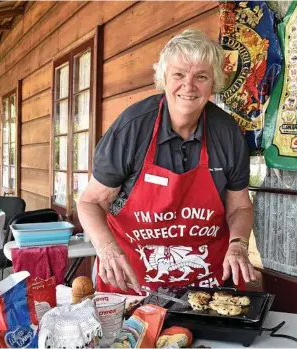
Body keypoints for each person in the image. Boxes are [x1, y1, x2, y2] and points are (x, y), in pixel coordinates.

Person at [78, 29, 257, 294]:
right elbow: (90, 202)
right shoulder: (132, 128)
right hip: (133, 283)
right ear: (164, 78)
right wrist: (106, 249)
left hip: (206, 286)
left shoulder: (226, 133)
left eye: (201, 77)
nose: (189, 85)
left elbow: (240, 207)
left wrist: (239, 243)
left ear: (213, 84)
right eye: (179, 75)